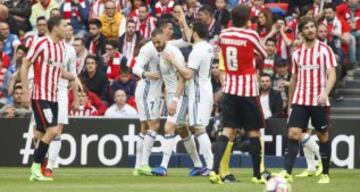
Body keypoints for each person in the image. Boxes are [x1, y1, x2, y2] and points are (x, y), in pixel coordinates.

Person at [208, 5, 267, 184]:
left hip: (230, 90)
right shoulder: (251, 35)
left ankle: (214, 171)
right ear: (248, 19)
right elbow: (263, 53)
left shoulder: (224, 34)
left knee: (227, 131)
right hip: (247, 90)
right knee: (254, 132)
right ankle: (257, 175)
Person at [276, 16, 337, 184]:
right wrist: (290, 104)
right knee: (293, 133)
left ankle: (325, 173)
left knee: (322, 136)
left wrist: (325, 93)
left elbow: (332, 74)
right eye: (307, 28)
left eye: (312, 27)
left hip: (319, 100)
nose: (311, 30)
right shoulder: (297, 54)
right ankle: (287, 172)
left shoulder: (325, 50)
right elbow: (294, 79)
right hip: (300, 100)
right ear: (301, 32)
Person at [20, 16, 79, 181]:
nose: (68, 28)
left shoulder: (61, 47)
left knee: (39, 134)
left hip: (53, 96)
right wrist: (25, 91)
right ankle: (36, 168)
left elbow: (58, 71)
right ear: (55, 28)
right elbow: (25, 65)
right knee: (53, 131)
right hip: (40, 95)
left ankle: (37, 169)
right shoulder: (40, 43)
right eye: (64, 25)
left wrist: (74, 78)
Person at [163, 21, 215, 175]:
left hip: (198, 93)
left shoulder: (197, 51)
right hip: (201, 91)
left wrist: (174, 61)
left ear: (196, 33)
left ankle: (212, 166)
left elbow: (187, 74)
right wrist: (183, 22)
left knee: (199, 128)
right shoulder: (207, 47)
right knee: (187, 125)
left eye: (190, 30)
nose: (187, 33)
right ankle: (203, 164)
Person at [42, 23, 79, 177]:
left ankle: (50, 166)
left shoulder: (70, 50)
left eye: (69, 29)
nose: (66, 30)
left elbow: (73, 75)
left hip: (62, 90)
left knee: (58, 129)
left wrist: (76, 98)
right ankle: (42, 160)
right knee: (40, 130)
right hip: (44, 89)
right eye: (64, 27)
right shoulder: (45, 45)